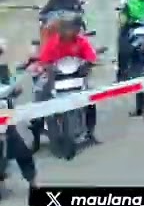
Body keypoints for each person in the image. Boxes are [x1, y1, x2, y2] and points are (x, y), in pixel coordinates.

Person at [29, 18, 99, 150]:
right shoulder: (53, 42)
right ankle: (36, 137)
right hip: (55, 77)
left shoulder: (81, 41)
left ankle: (91, 132)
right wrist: (48, 68)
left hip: (76, 77)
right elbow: (45, 60)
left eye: (73, 30)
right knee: (39, 95)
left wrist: (88, 65)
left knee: (91, 98)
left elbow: (91, 56)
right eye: (67, 29)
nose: (70, 32)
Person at [0, 39, 36, 191]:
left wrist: (15, 90)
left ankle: (33, 182)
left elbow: (14, 87)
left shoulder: (3, 70)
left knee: (22, 150)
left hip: (5, 116)